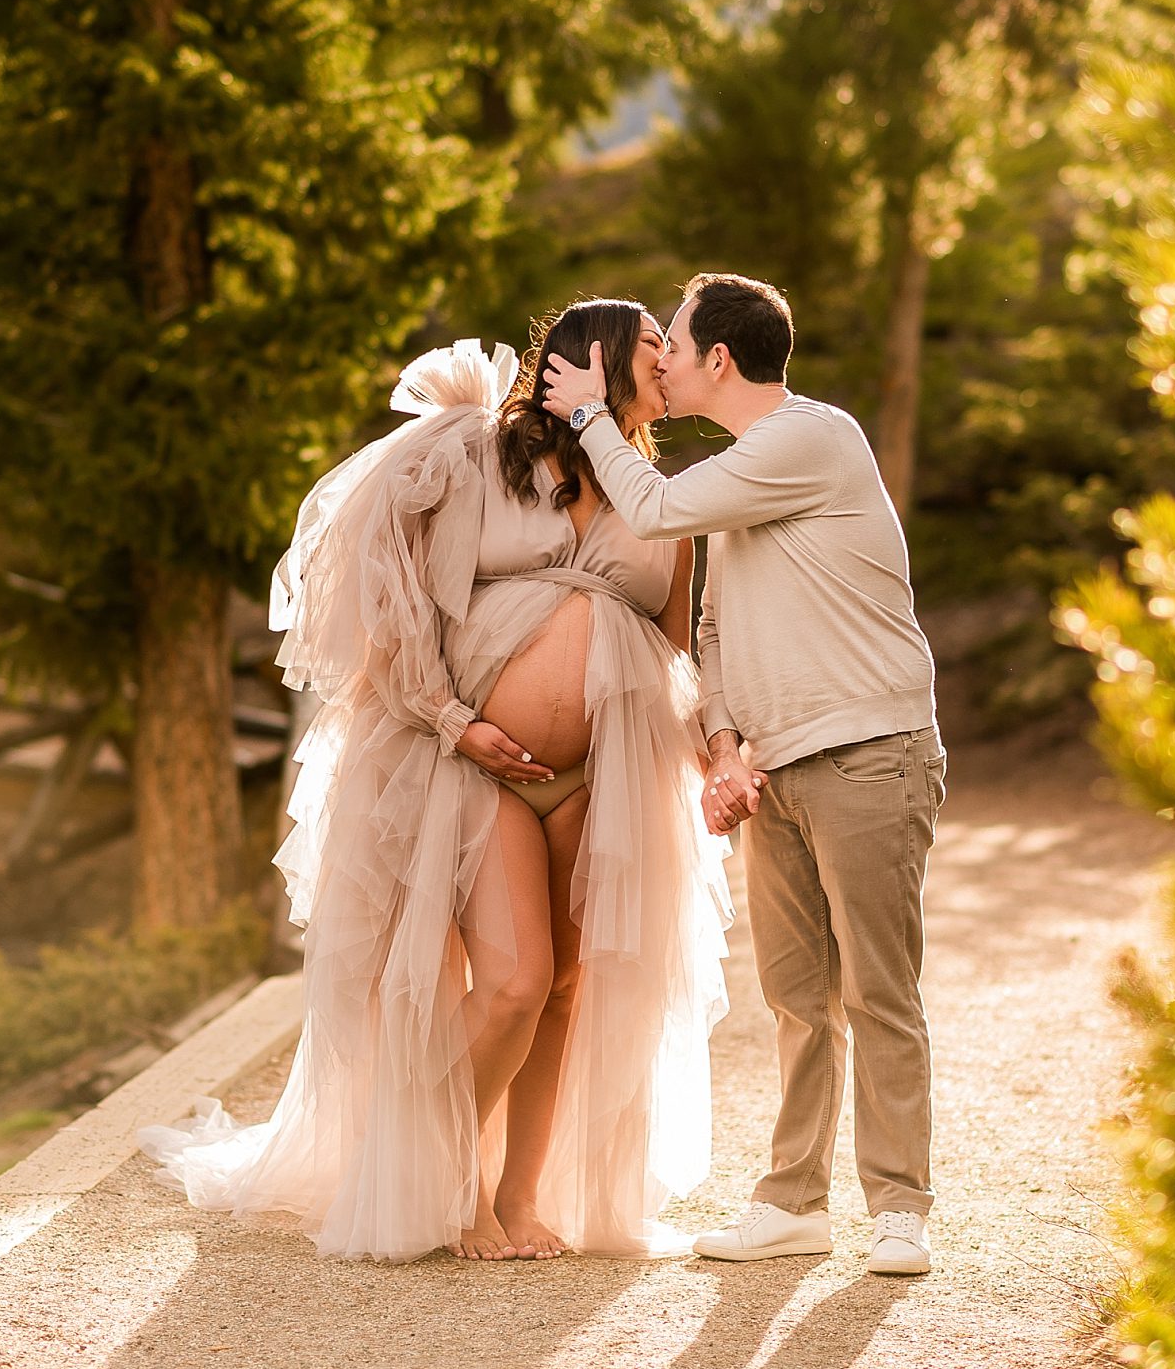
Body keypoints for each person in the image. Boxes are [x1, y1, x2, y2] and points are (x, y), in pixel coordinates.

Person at [139, 304, 730, 1264]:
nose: (670, 360)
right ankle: (433, 1174)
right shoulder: (479, 460)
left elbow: (677, 660)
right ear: (597, 359)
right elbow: (393, 603)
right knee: (513, 986)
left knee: (564, 992)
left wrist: (718, 759)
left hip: (602, 779)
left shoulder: (662, 505)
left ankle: (517, 1195)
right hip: (472, 764)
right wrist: (456, 722)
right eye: (655, 344)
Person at [543, 271, 945, 1276]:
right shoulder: (739, 476)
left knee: (878, 992)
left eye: (674, 346)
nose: (663, 364)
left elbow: (650, 507)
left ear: (718, 359)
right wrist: (722, 745)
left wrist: (588, 415)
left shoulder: (813, 438)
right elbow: (714, 630)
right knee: (798, 997)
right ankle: (794, 1203)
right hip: (776, 770)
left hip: (869, 753)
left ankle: (900, 1209)